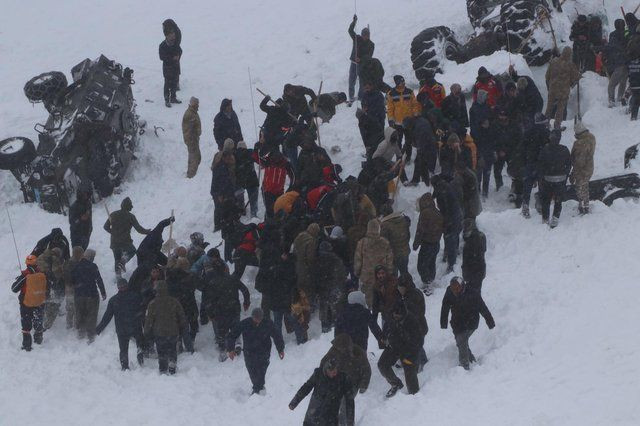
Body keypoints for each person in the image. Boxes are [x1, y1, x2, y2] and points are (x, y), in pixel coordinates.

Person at [440, 277, 495, 370]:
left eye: (457, 288)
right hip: (457, 322)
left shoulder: (472, 293)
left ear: (462, 286)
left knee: (461, 340)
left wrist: (490, 321)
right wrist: (443, 322)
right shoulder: (449, 291)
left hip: (471, 321)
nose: (455, 291)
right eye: (453, 289)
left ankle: (464, 365)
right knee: (460, 341)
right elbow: (445, 306)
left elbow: (482, 307)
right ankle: (471, 359)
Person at [227, 308, 285, 395]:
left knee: (262, 370)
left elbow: (277, 336)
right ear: (252, 317)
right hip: (249, 352)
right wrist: (230, 349)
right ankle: (258, 388)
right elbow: (232, 335)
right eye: (255, 318)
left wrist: (280, 349)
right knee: (252, 370)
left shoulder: (268, 323)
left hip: (264, 351)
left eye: (259, 318)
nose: (257, 320)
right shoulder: (245, 323)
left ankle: (258, 389)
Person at [320, 334, 371, 426]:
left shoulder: (358, 352)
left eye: (341, 348)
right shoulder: (333, 351)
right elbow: (323, 364)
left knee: (346, 404)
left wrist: (364, 385)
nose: (339, 350)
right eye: (338, 348)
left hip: (353, 383)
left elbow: (367, 370)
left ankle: (347, 423)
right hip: (338, 382)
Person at [202, 265, 250, 361]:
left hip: (220, 311)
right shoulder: (233, 279)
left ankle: (223, 351)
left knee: (222, 331)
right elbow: (245, 290)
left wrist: (210, 313)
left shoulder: (213, 283)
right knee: (235, 327)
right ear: (225, 270)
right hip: (234, 308)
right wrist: (246, 302)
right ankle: (237, 343)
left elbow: (208, 300)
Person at [95, 278, 145, 370]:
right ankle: (140, 359)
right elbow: (142, 312)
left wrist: (99, 328)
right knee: (139, 343)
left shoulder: (114, 300)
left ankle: (124, 366)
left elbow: (107, 316)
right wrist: (145, 324)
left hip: (122, 328)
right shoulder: (136, 297)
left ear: (118, 288)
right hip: (135, 326)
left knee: (123, 349)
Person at [144, 281, 192, 374]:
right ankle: (172, 363)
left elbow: (149, 320)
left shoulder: (152, 304)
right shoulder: (174, 301)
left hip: (159, 332)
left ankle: (162, 369)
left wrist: (146, 332)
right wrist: (183, 327)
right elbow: (181, 316)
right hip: (173, 331)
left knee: (161, 350)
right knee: (172, 349)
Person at [377, 303, 423, 397]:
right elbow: (386, 330)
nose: (395, 317)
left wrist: (408, 354)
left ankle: (414, 394)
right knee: (382, 364)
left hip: (409, 350)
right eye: (394, 315)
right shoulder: (391, 318)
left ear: (403, 314)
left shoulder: (412, 321)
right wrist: (385, 338)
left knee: (409, 370)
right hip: (394, 346)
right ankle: (395, 383)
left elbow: (418, 341)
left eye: (398, 315)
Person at [289, 359, 353, 424]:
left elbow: (349, 400)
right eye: (333, 372)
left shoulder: (343, 379)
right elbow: (306, 387)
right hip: (313, 414)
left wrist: (350, 421)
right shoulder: (318, 374)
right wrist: (295, 401)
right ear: (327, 371)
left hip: (331, 417)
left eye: (336, 371)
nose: (335, 374)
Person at [103, 197, 150, 276]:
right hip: (125, 241)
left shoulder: (113, 214)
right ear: (128, 206)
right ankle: (123, 261)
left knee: (117, 259)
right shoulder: (130, 216)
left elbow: (105, 227)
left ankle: (118, 278)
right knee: (132, 251)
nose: (132, 207)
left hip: (114, 241)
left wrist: (113, 232)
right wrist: (147, 232)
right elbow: (139, 229)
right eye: (131, 205)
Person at [11, 255, 49, 351]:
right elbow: (48, 286)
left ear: (27, 264)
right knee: (38, 320)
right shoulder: (42, 273)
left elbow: (14, 289)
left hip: (26, 303)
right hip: (39, 301)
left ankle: (27, 345)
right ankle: (38, 340)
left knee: (26, 323)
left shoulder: (25, 275)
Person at [354, 219, 393, 307]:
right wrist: (389, 273)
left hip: (366, 276)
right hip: (381, 276)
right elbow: (389, 261)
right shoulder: (385, 243)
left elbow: (358, 260)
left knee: (368, 301)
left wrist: (357, 272)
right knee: (383, 301)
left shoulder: (362, 243)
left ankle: (370, 316)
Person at [537, 129, 571, 227]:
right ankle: (555, 218)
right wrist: (565, 175)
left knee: (546, 199)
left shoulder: (545, 149)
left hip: (548, 179)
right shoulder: (564, 149)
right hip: (561, 179)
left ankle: (545, 218)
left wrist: (541, 177)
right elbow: (569, 164)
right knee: (558, 200)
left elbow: (540, 165)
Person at [71, 248, 106, 342]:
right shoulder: (93, 266)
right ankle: (90, 335)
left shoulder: (76, 266)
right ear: (91, 257)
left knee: (80, 313)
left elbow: (72, 281)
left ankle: (81, 332)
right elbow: (99, 280)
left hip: (79, 295)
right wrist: (103, 292)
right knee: (92, 314)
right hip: (91, 294)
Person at [313, 241, 347, 332]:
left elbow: (315, 278)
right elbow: (342, 276)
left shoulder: (317, 261)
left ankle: (325, 329)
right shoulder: (337, 260)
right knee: (335, 311)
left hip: (322, 291)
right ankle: (335, 328)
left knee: (324, 312)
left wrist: (316, 291)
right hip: (334, 290)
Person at [521, 113, 551, 218]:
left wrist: (525, 161)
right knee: (542, 185)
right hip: (542, 163)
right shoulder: (547, 133)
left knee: (527, 185)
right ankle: (540, 204)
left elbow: (522, 148)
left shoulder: (528, 132)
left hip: (530, 162)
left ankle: (525, 205)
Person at [397, 275, 429, 371]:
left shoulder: (411, 297)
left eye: (400, 287)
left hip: (417, 328)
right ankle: (422, 362)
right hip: (419, 326)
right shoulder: (411, 294)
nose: (399, 289)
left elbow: (414, 313)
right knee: (417, 345)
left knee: (416, 346)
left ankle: (420, 364)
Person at [431, 175, 463, 273]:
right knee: (454, 236)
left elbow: (447, 209)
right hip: (457, 215)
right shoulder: (444, 186)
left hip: (451, 218)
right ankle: (452, 252)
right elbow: (436, 193)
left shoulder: (442, 192)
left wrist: (446, 222)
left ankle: (451, 264)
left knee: (450, 239)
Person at [413, 193, 444, 293]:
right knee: (431, 263)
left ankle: (427, 284)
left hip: (427, 244)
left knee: (421, 265)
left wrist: (416, 244)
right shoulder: (437, 212)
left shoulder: (425, 213)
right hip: (436, 243)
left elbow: (420, 230)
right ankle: (430, 280)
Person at [545, 47, 580, 130]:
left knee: (549, 108)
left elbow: (547, 76)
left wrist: (550, 85)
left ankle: (545, 124)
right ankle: (557, 126)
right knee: (560, 110)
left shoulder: (553, 61)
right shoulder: (570, 65)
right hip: (563, 91)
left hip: (552, 89)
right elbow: (575, 77)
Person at [387, 75, 420, 160]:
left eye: (403, 81)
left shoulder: (409, 92)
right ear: (397, 83)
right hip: (398, 123)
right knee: (398, 142)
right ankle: (399, 158)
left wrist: (415, 115)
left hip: (409, 122)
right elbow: (390, 108)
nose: (403, 83)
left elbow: (415, 104)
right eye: (401, 82)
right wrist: (391, 120)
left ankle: (408, 157)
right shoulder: (391, 94)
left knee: (409, 141)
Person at [570, 120, 596, 215]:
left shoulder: (579, 143)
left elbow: (579, 160)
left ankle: (582, 206)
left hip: (580, 169)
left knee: (580, 187)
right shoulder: (592, 138)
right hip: (589, 166)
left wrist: (573, 172)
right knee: (585, 185)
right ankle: (586, 205)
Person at [210, 143, 237, 232]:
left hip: (218, 191)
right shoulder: (221, 167)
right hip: (219, 192)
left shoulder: (221, 165)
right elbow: (221, 182)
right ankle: (219, 225)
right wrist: (221, 194)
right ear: (225, 157)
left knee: (220, 208)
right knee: (219, 208)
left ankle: (221, 224)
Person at [36, 247, 65, 330]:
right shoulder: (54, 259)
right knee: (48, 296)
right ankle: (47, 313)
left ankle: (41, 310)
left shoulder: (42, 255)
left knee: (42, 295)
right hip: (47, 280)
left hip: (37, 279)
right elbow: (57, 273)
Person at [348, 14, 374, 102]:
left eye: (367, 35)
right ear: (361, 34)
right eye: (364, 35)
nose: (365, 37)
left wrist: (361, 59)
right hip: (353, 64)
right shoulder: (357, 38)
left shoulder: (371, 44)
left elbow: (369, 56)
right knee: (352, 80)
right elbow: (350, 30)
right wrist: (354, 22)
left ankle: (360, 97)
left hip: (363, 65)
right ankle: (351, 97)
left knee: (362, 82)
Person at [379, 203, 411, 276]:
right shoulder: (403, 220)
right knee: (404, 272)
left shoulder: (385, 225)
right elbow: (408, 236)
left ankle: (396, 286)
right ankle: (407, 286)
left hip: (393, 255)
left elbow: (383, 243)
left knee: (393, 276)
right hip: (405, 252)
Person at [293, 223, 321, 304]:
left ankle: (299, 305)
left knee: (299, 289)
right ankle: (308, 306)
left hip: (297, 266)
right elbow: (310, 258)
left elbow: (294, 251)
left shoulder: (299, 236)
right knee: (308, 289)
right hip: (305, 269)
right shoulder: (311, 241)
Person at [603, 19, 628, 108]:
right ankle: (620, 98)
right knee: (623, 82)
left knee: (612, 84)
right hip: (627, 62)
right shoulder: (627, 33)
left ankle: (612, 101)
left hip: (619, 62)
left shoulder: (613, 35)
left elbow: (610, 47)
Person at [235, 141, 260, 217]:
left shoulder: (235, 156)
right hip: (251, 180)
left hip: (240, 181)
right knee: (253, 199)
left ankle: (241, 210)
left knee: (239, 197)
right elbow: (259, 159)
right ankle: (254, 214)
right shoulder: (250, 152)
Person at [158, 30, 182, 107]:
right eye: (172, 35)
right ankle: (167, 100)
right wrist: (172, 58)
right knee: (167, 84)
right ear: (167, 36)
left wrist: (178, 56)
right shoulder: (162, 45)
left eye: (174, 35)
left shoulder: (175, 43)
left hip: (175, 67)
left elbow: (180, 50)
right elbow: (162, 57)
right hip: (167, 68)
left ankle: (173, 98)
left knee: (174, 83)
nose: (173, 37)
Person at [461, 222, 486, 292]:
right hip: (480, 268)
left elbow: (466, 258)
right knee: (477, 289)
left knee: (471, 291)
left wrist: (465, 273)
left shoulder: (469, 241)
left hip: (471, 270)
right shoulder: (482, 236)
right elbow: (484, 250)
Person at [63, 246, 84, 329]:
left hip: (68, 287)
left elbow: (63, 274)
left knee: (69, 306)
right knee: (77, 307)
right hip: (76, 287)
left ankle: (69, 324)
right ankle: (76, 325)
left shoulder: (67, 262)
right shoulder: (78, 263)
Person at [182, 97, 202, 178]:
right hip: (192, 140)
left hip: (194, 139)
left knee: (196, 156)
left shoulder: (193, 112)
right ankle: (191, 175)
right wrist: (192, 139)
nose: (198, 106)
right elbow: (189, 130)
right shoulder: (190, 114)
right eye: (197, 104)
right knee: (195, 157)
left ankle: (191, 173)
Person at [162, 19, 182, 89]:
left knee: (176, 67)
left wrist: (176, 54)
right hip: (171, 47)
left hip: (175, 47)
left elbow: (178, 43)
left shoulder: (176, 32)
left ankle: (176, 83)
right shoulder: (168, 31)